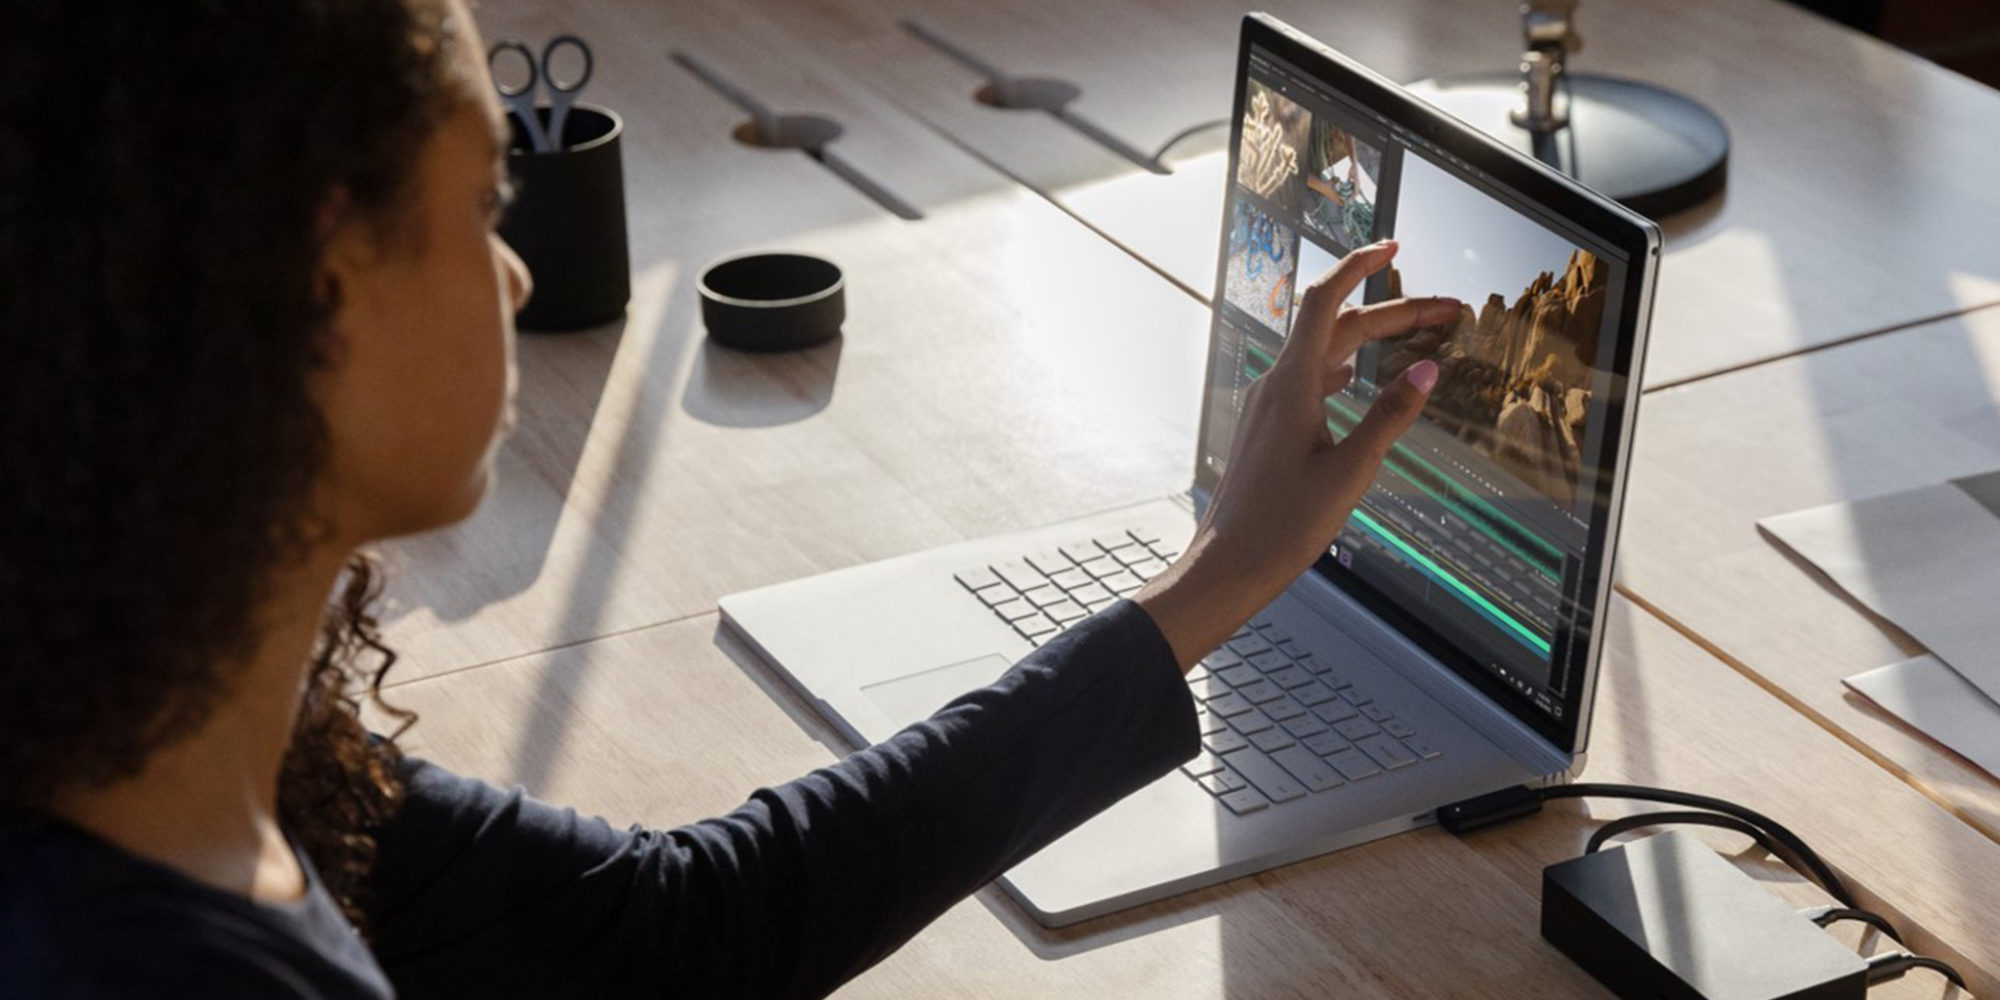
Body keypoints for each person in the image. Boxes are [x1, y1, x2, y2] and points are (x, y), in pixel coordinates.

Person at [0, 1, 1453, 997]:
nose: (514, 272)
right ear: (321, 284)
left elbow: (676, 936)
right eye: (479, 208)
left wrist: (1211, 584)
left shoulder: (170, 745)